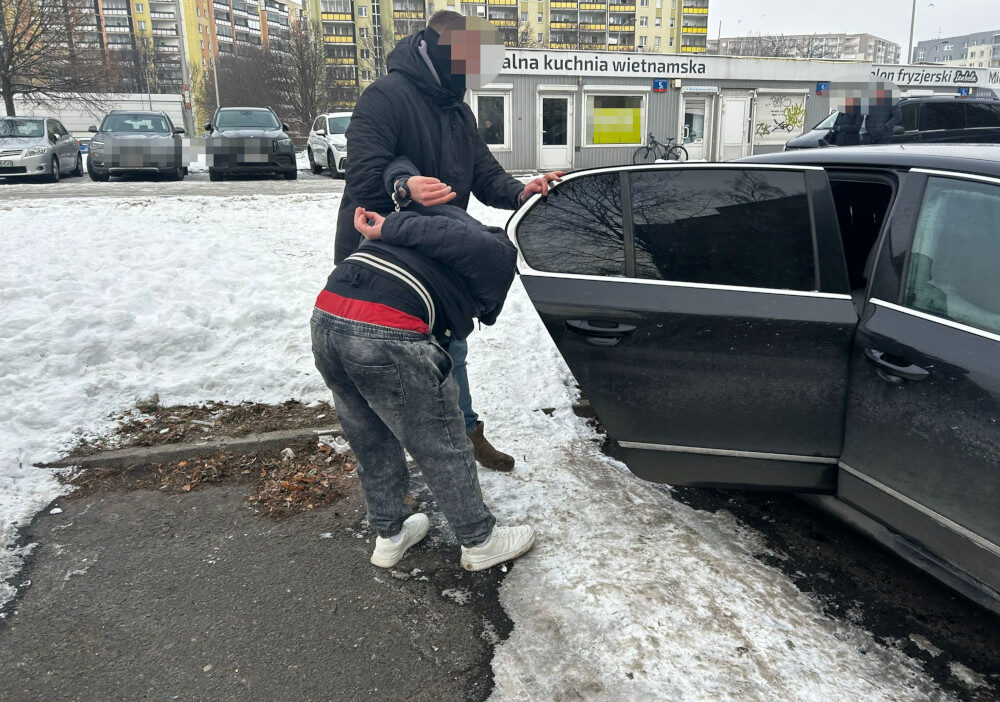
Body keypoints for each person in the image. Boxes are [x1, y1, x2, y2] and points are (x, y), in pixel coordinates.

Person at [336, 9, 563, 472]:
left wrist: (522, 190)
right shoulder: (385, 96)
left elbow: (485, 175)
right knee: (383, 354)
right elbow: (361, 175)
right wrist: (404, 189)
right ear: (437, 48)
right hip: (382, 250)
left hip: (439, 248)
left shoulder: (458, 110)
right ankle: (388, 457)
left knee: (451, 345)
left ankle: (465, 432)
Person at [311, 156, 536, 571]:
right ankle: (479, 540)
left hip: (328, 318)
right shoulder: (491, 246)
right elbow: (481, 292)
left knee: (369, 436)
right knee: (441, 442)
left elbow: (396, 163)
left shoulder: (407, 220)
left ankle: (390, 534)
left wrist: (402, 186)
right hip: (386, 330)